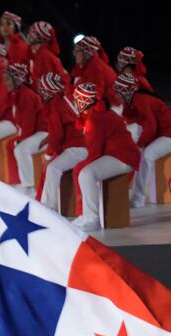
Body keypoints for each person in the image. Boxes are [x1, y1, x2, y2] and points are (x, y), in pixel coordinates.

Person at [71, 82, 140, 232]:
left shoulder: (95, 119)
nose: (75, 103)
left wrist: (81, 167)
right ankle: (85, 214)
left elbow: (95, 152)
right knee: (83, 171)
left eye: (76, 99)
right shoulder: (97, 114)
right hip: (119, 154)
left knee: (86, 173)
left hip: (123, 157)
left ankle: (92, 218)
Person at [112, 73, 171, 208]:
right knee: (139, 152)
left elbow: (150, 128)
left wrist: (138, 145)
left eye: (118, 91)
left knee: (145, 156)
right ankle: (132, 193)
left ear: (126, 91)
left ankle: (138, 198)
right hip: (159, 136)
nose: (116, 95)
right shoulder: (132, 102)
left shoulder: (141, 101)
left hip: (170, 136)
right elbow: (130, 123)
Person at [0, 63, 40, 181]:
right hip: (21, 127)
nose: (4, 83)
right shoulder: (15, 93)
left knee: (19, 148)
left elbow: (29, 122)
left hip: (35, 130)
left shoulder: (26, 95)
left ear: (16, 79)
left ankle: (28, 186)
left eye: (7, 79)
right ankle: (0, 177)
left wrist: (21, 138)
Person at [38, 73, 87, 212]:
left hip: (78, 148)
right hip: (86, 145)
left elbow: (57, 135)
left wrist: (48, 157)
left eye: (43, 89)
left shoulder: (56, 104)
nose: (41, 92)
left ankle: (48, 208)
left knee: (52, 168)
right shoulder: (66, 100)